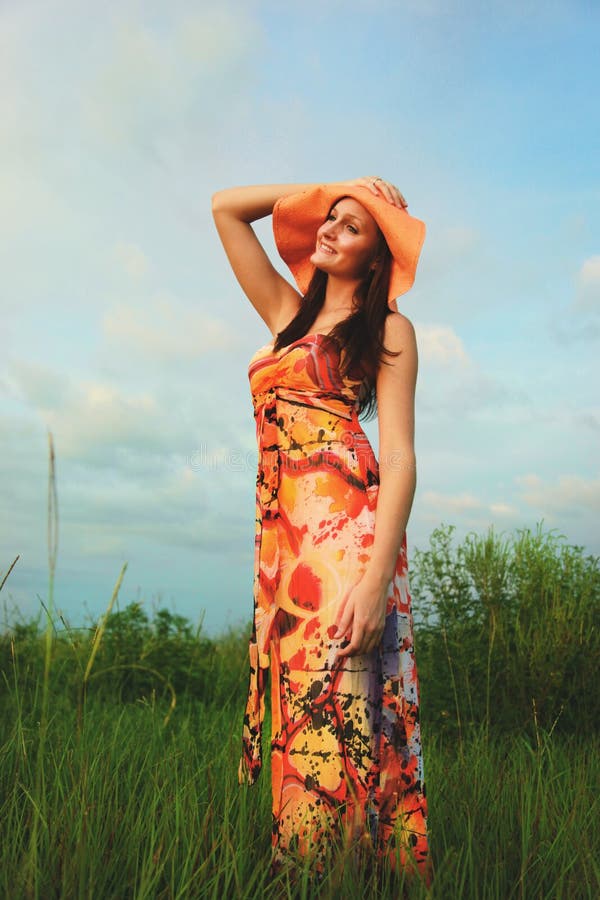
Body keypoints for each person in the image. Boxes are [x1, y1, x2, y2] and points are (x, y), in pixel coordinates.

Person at [211, 178, 432, 887]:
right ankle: (313, 876)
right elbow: (226, 208)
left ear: (377, 259)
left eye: (354, 227)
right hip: (285, 550)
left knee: (338, 717)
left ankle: (336, 879)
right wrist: (333, 183)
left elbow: (398, 457)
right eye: (329, 220)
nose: (333, 230)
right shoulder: (284, 315)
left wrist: (374, 583)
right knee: (301, 720)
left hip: (344, 543)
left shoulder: (389, 330)